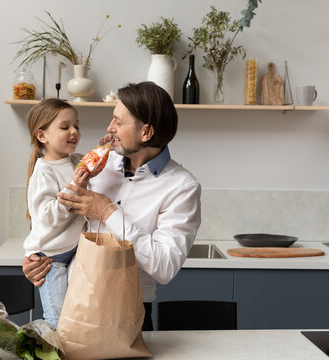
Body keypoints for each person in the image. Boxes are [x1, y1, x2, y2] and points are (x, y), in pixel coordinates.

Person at [22, 82, 202, 330]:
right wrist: (36, 258)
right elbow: (57, 214)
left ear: (146, 132)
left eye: (118, 122)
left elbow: (164, 267)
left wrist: (108, 212)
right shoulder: (100, 164)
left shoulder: (182, 187)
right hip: (77, 304)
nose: (110, 128)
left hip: (127, 317)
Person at [23, 98, 91, 330]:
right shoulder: (43, 173)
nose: (74, 132)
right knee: (57, 323)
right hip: (51, 259)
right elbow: (46, 219)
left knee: (74, 321)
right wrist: (73, 189)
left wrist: (108, 146)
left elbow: (99, 163)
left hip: (71, 253)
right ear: (42, 136)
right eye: (65, 127)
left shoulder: (75, 161)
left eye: (77, 126)